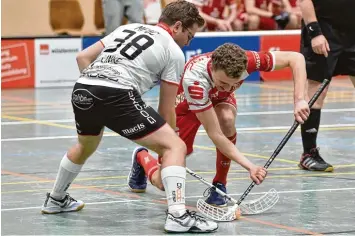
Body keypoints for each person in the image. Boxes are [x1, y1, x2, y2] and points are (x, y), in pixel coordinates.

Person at [41, 1, 217, 233]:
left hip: (83, 87)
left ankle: (56, 199)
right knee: (176, 146)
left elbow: (82, 57)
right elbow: (166, 110)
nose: (189, 41)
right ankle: (178, 216)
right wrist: (170, 146)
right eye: (190, 35)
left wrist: (99, 91)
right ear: (177, 26)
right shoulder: (174, 52)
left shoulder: (127, 28)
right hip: (116, 93)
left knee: (85, 145)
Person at [128, 43, 310, 207]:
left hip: (217, 100)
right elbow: (215, 135)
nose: (229, 89)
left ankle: (219, 185)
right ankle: (142, 157)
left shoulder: (248, 62)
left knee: (227, 119)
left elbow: (296, 58)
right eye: (223, 83)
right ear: (213, 69)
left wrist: (300, 100)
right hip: (186, 107)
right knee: (164, 181)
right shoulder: (195, 81)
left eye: (234, 84)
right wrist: (250, 167)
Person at [297, 0, 355, 171]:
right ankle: (309, 154)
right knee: (317, 91)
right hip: (324, 30)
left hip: (352, 32)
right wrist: (315, 33)